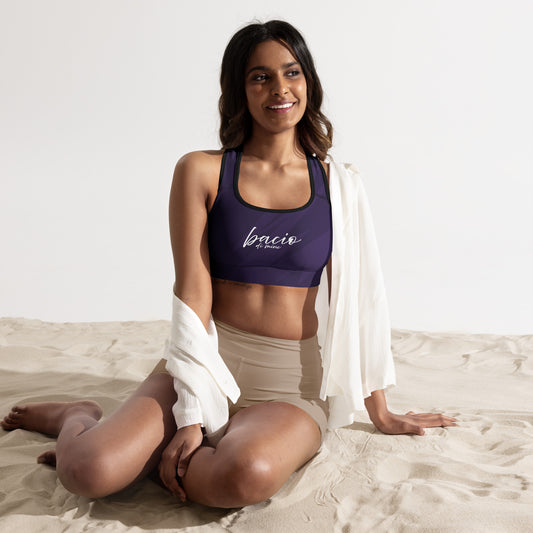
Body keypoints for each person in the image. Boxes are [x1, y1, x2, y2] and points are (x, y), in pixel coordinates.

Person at [1, 20, 456, 508]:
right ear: (239, 89)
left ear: (309, 82)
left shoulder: (339, 185)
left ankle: (150, 457)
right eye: (260, 77)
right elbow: (192, 293)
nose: (279, 89)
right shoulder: (201, 171)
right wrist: (191, 413)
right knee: (87, 471)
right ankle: (79, 416)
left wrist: (379, 410)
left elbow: (362, 301)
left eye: (292, 73)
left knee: (245, 475)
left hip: (290, 384)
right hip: (206, 361)